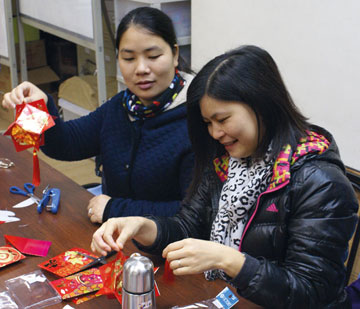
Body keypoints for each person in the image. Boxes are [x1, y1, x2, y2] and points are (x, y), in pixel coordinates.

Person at [91, 45, 359, 308]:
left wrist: (229, 260)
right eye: (208, 123)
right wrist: (142, 225)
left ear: (262, 105)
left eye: (223, 119)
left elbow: (311, 292)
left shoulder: (320, 182)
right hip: (225, 298)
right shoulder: (227, 160)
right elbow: (188, 226)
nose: (215, 133)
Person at [2, 7, 194, 223]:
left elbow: (194, 215)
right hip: (109, 235)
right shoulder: (122, 106)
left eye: (153, 56)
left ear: (175, 54)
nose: (141, 68)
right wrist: (40, 106)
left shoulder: (197, 120)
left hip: (165, 249)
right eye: (129, 58)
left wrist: (115, 208)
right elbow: (66, 143)